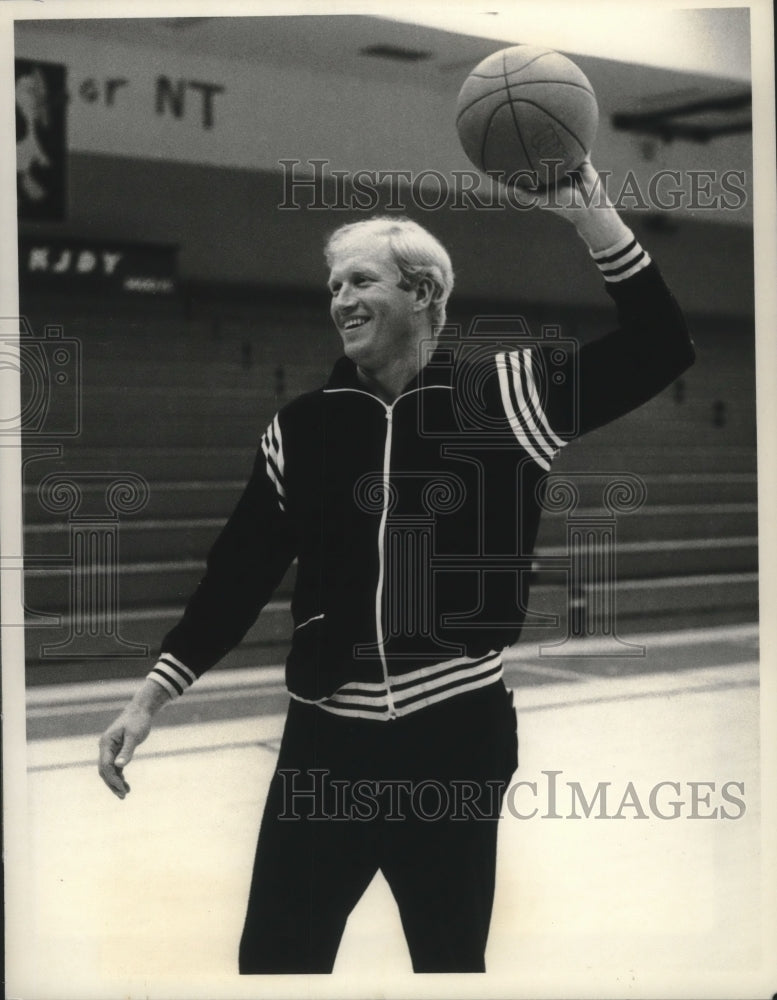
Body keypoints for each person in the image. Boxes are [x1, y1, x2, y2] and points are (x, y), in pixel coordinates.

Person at [98, 162, 695, 973]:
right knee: (275, 964)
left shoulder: (509, 396)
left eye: (362, 280)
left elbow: (661, 346)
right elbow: (236, 575)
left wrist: (591, 216)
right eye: (333, 284)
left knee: (448, 966)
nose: (340, 298)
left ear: (422, 293)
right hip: (325, 743)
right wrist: (150, 697)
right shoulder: (300, 428)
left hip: (454, 736)